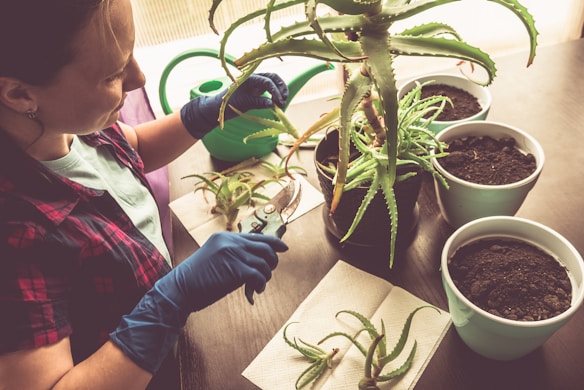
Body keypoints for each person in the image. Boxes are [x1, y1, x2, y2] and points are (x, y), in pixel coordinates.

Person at [0, 0, 290, 388]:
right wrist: (170, 299)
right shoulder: (17, 234)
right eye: (113, 74)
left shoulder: (69, 124)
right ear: (19, 95)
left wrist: (205, 112)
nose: (139, 78)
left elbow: (130, 149)